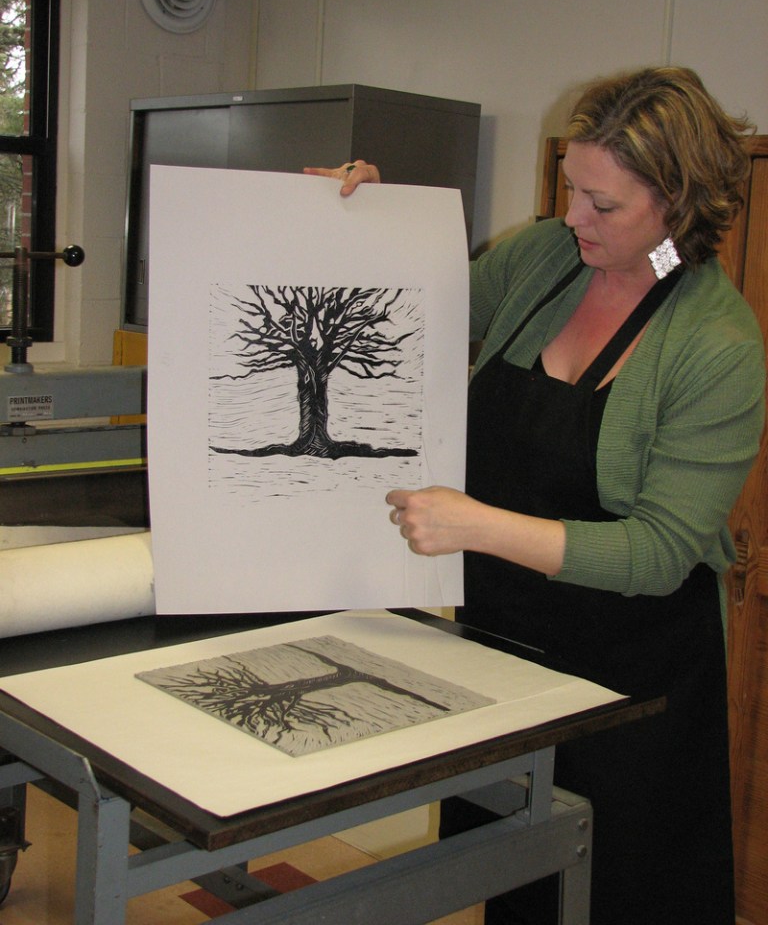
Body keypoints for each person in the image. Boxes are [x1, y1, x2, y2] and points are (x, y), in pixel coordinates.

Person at [305, 66, 765, 924]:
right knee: (508, 881)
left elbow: (659, 552)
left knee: (619, 891)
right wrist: (358, 212)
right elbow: (405, 296)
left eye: (605, 205)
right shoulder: (547, 259)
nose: (574, 217)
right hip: (500, 646)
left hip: (633, 677)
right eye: (571, 188)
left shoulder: (716, 344)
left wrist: (478, 524)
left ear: (678, 202)